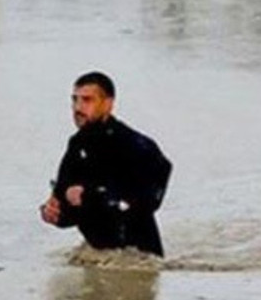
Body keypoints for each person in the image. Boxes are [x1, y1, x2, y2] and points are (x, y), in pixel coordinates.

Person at [40, 72, 173, 257]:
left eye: (87, 100)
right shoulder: (77, 144)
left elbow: (148, 200)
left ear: (108, 103)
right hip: (97, 255)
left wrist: (90, 196)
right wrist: (54, 212)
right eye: (74, 100)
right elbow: (67, 201)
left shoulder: (137, 145)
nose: (78, 107)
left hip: (139, 261)